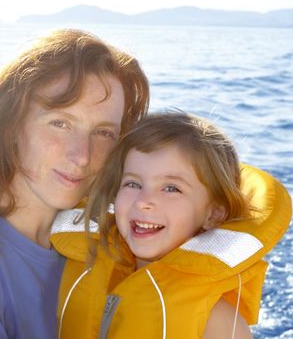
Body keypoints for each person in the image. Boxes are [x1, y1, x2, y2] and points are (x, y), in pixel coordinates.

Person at [0, 29, 150, 338]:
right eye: (60, 123)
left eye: (103, 133)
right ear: (10, 125)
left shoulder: (124, 233)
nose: (82, 156)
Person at [52, 111, 291, 338]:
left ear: (213, 214)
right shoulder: (78, 261)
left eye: (171, 188)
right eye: (133, 184)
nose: (145, 201)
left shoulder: (219, 322)